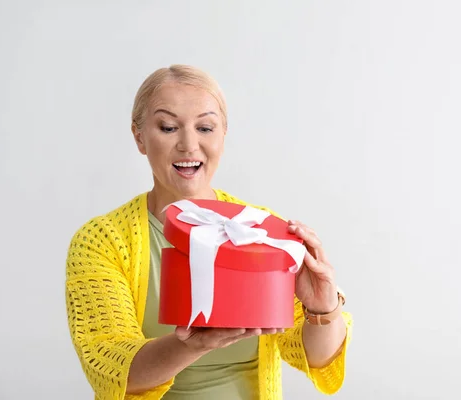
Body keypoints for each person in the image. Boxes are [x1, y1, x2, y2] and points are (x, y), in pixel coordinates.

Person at [65, 64, 353, 400]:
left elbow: (316, 357)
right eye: (169, 127)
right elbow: (113, 373)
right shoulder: (101, 241)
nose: (189, 145)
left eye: (205, 127)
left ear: (223, 134)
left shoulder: (262, 232)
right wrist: (193, 345)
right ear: (140, 136)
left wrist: (323, 309)